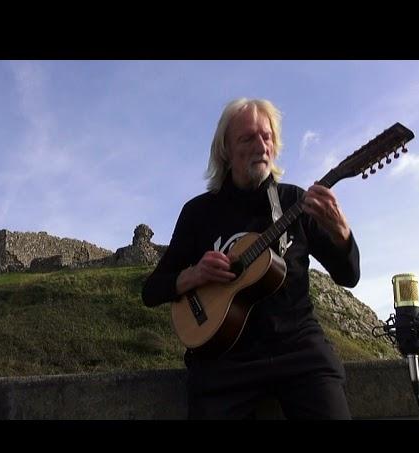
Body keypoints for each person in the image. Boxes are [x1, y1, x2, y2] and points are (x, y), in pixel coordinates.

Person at [141, 98, 360, 420]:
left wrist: (341, 233)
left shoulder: (295, 201)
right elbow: (152, 291)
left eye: (267, 137)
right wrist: (195, 275)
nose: (261, 145)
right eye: (247, 138)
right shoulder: (198, 212)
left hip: (299, 352)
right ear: (226, 150)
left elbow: (348, 275)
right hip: (223, 363)